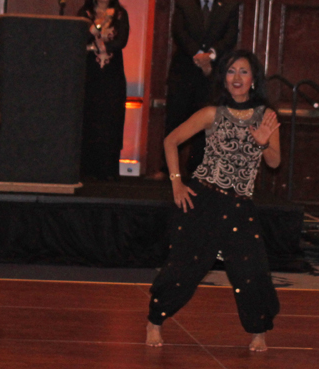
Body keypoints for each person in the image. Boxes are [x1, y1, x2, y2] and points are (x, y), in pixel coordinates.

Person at [145, 50, 281, 352]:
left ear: (254, 79)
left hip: (239, 205)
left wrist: (264, 143)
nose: (237, 78)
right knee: (184, 269)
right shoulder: (212, 113)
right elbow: (171, 141)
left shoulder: (266, 117)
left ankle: (258, 331)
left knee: (252, 270)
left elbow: (274, 162)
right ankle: (155, 321)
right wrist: (176, 183)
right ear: (224, 77)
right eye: (231, 71)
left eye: (244, 72)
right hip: (203, 200)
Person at [149, 0, 239, 180]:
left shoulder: (230, 5)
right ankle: (167, 170)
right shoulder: (184, 3)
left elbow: (230, 37)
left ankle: (198, 170)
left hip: (211, 76)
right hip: (183, 74)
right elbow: (179, 32)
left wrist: (210, 56)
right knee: (175, 120)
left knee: (205, 124)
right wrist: (198, 55)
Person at [77, 0, 129, 181]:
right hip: (89, 76)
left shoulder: (120, 14)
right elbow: (77, 38)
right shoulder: (83, 13)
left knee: (110, 120)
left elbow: (121, 41)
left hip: (111, 77)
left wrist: (95, 45)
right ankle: (85, 170)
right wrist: (96, 40)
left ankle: (108, 171)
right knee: (88, 117)